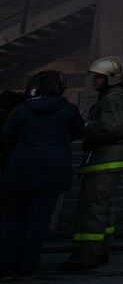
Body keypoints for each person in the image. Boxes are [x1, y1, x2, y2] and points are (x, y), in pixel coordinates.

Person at [0, 71, 85, 278]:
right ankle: (28, 268)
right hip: (52, 173)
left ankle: (7, 267)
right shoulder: (69, 111)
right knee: (38, 222)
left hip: (21, 171)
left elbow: (6, 139)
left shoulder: (22, 110)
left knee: (13, 221)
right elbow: (80, 133)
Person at [63, 57, 123, 271]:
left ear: (111, 79)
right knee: (105, 207)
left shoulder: (113, 98)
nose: (94, 82)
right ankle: (101, 249)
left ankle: (85, 256)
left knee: (92, 208)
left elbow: (109, 126)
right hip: (111, 158)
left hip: (102, 158)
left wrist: (84, 126)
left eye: (98, 78)